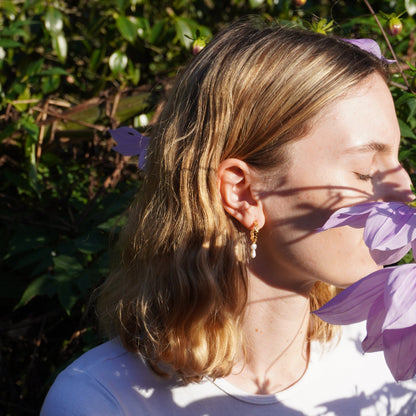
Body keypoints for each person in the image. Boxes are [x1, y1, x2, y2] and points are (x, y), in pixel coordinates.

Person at [41, 19, 416, 415]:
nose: (406, 192)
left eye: (399, 159)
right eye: (363, 171)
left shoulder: (387, 361)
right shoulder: (102, 401)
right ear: (242, 191)